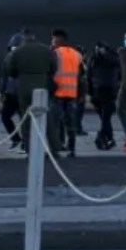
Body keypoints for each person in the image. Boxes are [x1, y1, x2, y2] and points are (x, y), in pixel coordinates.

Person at [6, 28, 53, 153]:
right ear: (34, 35)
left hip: (24, 86)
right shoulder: (45, 49)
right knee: (46, 119)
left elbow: (10, 71)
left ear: (23, 37)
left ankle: (28, 149)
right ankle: (53, 148)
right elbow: (54, 67)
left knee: (26, 121)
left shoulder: (17, 51)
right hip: (42, 86)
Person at [48, 29, 85, 157]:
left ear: (60, 40)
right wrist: (81, 94)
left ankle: (55, 149)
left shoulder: (54, 53)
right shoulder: (77, 54)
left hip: (57, 94)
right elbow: (81, 77)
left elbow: (49, 72)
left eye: (54, 39)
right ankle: (72, 148)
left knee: (55, 122)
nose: (52, 42)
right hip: (72, 94)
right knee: (71, 123)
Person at [88, 41, 121, 151]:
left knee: (105, 117)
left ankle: (103, 137)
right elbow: (89, 75)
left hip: (108, 90)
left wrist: (104, 54)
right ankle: (108, 138)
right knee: (105, 118)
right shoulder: (94, 59)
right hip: (99, 90)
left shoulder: (112, 58)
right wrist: (90, 92)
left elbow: (116, 63)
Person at [0, 34, 26, 150]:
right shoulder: (10, 58)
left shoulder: (9, 57)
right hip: (15, 93)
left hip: (16, 93)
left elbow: (4, 77)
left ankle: (21, 140)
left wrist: (2, 92)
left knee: (19, 118)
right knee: (12, 118)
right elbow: (4, 76)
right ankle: (18, 139)